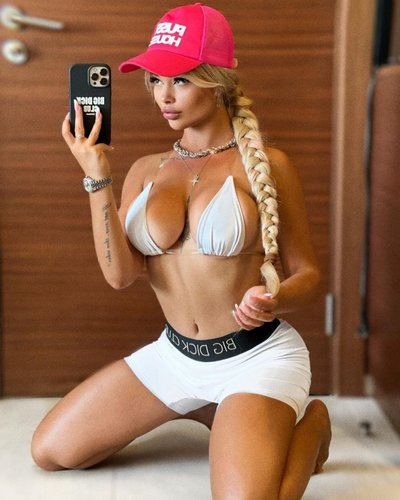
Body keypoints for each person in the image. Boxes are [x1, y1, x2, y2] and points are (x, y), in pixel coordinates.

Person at [31, 4, 331, 498]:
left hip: (255, 358)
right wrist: (97, 176)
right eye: (154, 80)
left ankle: (312, 424)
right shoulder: (145, 169)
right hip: (176, 356)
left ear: (218, 81)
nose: (163, 96)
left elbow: (309, 274)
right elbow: (120, 276)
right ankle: (208, 407)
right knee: (51, 451)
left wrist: (274, 299)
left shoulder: (268, 165)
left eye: (181, 81)